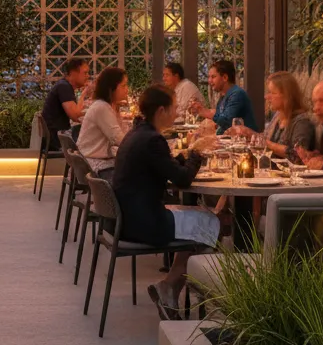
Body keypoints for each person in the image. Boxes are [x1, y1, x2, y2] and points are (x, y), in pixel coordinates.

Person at [112, 85, 220, 318]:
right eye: (174, 108)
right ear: (161, 110)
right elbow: (182, 179)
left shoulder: (139, 133)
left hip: (126, 218)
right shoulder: (152, 140)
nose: (177, 113)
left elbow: (165, 167)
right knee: (210, 222)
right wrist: (197, 153)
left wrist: (187, 153)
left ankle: (171, 286)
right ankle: (176, 289)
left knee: (201, 219)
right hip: (143, 223)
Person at [234, 70, 315, 160]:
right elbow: (265, 141)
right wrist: (249, 135)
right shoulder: (278, 116)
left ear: (286, 96)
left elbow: (297, 154)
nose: (266, 97)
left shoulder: (302, 122)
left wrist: (257, 137)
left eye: (272, 93)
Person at [75, 67, 130, 176]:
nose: (127, 90)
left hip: (95, 160)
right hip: (94, 165)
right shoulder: (102, 107)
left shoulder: (107, 106)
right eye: (123, 86)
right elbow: (119, 139)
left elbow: (124, 133)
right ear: (111, 88)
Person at [192, 58, 259, 134]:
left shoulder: (237, 94)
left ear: (225, 78)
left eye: (213, 77)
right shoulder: (224, 96)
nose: (209, 81)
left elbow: (226, 122)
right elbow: (220, 125)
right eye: (209, 77)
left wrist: (205, 112)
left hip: (245, 143)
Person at [41, 58, 90, 141]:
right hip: (57, 137)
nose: (88, 76)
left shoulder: (65, 86)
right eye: (85, 73)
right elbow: (75, 116)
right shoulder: (64, 87)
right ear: (73, 73)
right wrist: (84, 93)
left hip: (58, 134)